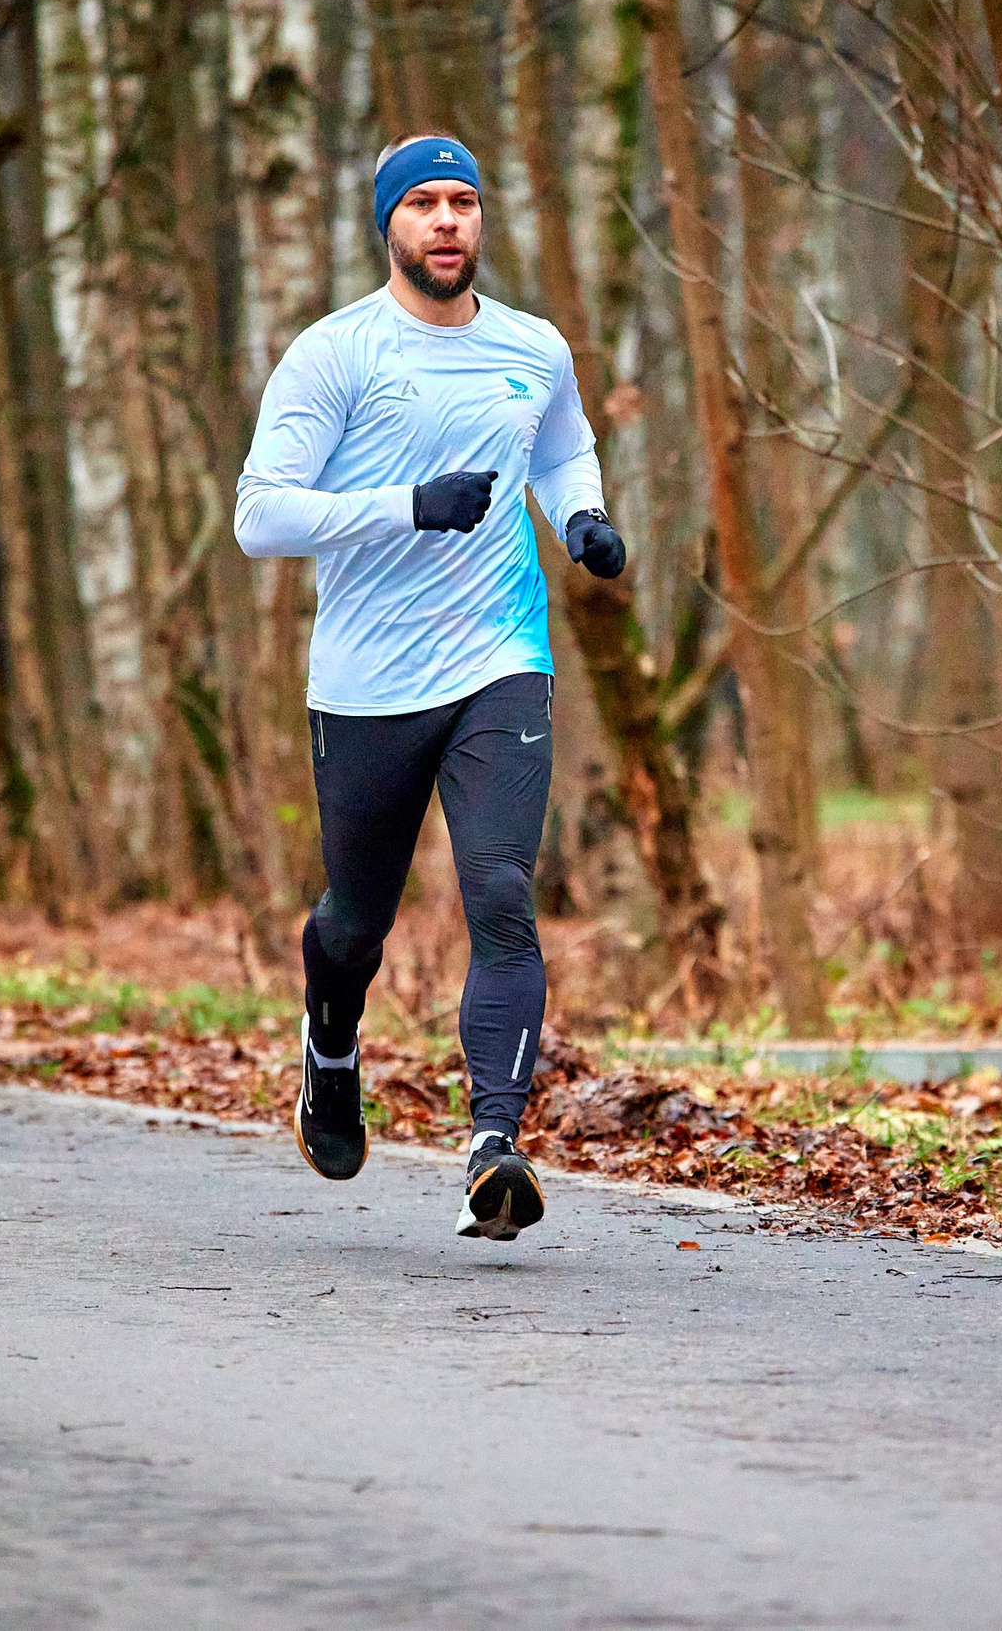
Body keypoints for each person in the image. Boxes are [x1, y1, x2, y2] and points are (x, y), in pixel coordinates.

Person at [233, 133, 627, 1240]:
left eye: (464, 201)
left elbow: (560, 450)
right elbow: (259, 516)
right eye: (424, 205)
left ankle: (494, 1146)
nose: (447, 220)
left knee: (502, 894)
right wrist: (406, 504)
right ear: (388, 225)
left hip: (501, 661)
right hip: (365, 685)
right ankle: (329, 1042)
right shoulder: (334, 355)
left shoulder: (533, 347)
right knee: (356, 921)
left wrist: (582, 520)